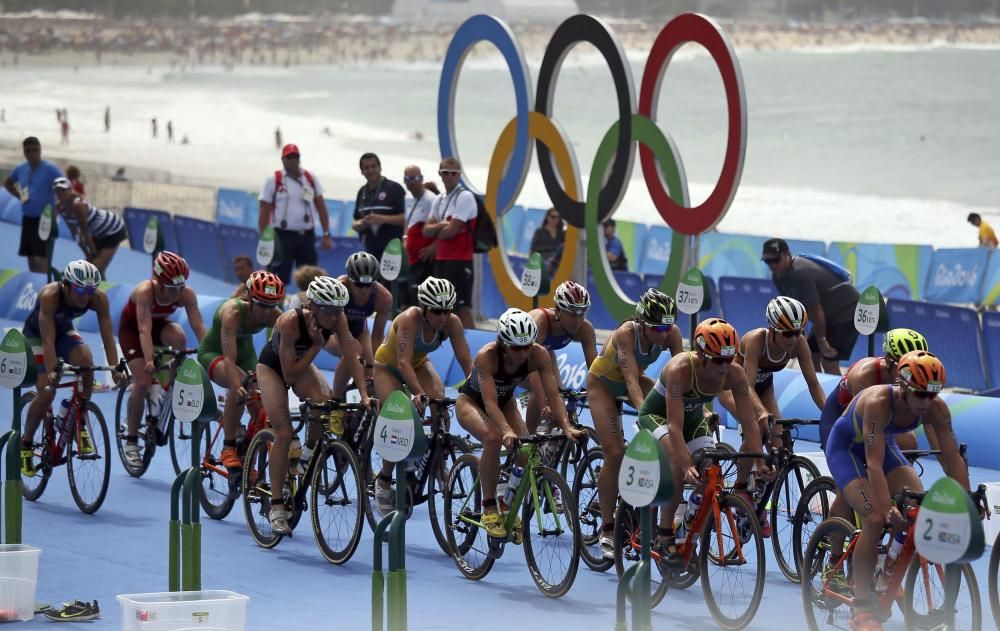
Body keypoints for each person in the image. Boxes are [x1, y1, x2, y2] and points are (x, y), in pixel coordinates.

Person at [824, 351, 969, 631]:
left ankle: (885, 570)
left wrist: (966, 498)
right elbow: (874, 465)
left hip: (882, 446)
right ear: (903, 387)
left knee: (919, 508)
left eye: (933, 394)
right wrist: (885, 506)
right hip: (847, 448)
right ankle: (862, 606)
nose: (927, 401)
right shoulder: (879, 402)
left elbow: (953, 459)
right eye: (920, 394)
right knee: (875, 519)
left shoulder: (937, 408)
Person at [636, 318, 772, 562]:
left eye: (729, 359)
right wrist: (687, 464)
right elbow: (674, 427)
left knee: (712, 474)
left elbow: (749, 423)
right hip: (658, 417)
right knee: (678, 466)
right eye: (718, 360)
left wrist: (759, 463)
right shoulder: (680, 370)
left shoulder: (735, 374)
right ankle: (665, 533)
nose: (724, 366)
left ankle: (688, 529)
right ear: (701, 355)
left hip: (692, 418)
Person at [257, 276, 375, 535]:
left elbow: (352, 357)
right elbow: (289, 376)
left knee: (325, 403)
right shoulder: (290, 322)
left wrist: (365, 394)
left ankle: (308, 451)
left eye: (339, 311)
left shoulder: (338, 318)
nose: (334, 317)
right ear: (313, 306)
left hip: (300, 366)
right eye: (329, 311)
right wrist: (318, 346)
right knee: (285, 433)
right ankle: (276, 507)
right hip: (275, 368)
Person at [455, 309, 584, 537]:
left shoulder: (539, 354)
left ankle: (507, 506)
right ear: (504, 344)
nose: (523, 353)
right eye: (516, 348)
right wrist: (505, 431)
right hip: (472, 404)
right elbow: (489, 403)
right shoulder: (487, 356)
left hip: (507, 404)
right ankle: (489, 506)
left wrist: (566, 426)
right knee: (493, 439)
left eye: (527, 346)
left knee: (526, 450)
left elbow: (554, 395)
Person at [588, 289, 685, 557]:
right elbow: (630, 383)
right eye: (657, 328)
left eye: (667, 327)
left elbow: (682, 376)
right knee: (616, 454)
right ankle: (607, 529)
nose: (663, 334)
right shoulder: (626, 334)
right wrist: (647, 418)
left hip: (635, 382)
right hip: (604, 386)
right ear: (642, 323)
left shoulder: (672, 333)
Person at [372, 276, 473, 515]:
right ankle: (384, 480)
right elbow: (403, 363)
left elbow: (467, 361)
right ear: (424, 308)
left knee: (439, 398)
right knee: (399, 415)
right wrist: (417, 393)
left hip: (419, 364)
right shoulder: (409, 319)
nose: (442, 317)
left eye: (446, 311)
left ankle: (439, 463)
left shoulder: (452, 323)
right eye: (436, 311)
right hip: (388, 367)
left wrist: (475, 388)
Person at [20, 261, 126, 476]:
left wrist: (115, 368)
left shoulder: (99, 299)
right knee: (46, 391)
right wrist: (52, 372)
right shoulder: (50, 295)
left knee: (86, 362)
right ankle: (26, 444)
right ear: (67, 284)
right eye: (80, 289)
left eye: (90, 290)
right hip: (38, 336)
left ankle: (77, 419)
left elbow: (107, 337)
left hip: (64, 331)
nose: (85, 296)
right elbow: (48, 341)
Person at [119, 252, 206, 467]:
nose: (177, 292)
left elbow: (199, 326)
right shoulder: (145, 291)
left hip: (159, 326)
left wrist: (209, 353)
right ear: (158, 282)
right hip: (133, 330)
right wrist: (149, 362)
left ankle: (168, 387)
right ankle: (131, 440)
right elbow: (144, 329)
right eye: (172, 288)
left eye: (180, 287)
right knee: (142, 382)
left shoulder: (186, 294)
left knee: (180, 337)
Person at [197, 271, 285, 474]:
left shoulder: (274, 315)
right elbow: (228, 358)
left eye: (271, 305)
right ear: (249, 299)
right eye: (261, 305)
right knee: (241, 383)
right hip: (215, 353)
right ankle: (228, 447)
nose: (266, 311)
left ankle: (247, 451)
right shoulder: (232, 312)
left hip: (245, 355)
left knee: (263, 406)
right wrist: (237, 387)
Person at [717, 296, 827, 448]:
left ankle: (773, 470)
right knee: (756, 431)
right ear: (772, 330)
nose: (794, 339)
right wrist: (761, 412)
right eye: (788, 334)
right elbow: (747, 387)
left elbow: (813, 385)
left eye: (798, 332)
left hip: (765, 389)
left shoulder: (800, 344)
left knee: (778, 441)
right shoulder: (756, 340)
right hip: (735, 388)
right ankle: (748, 471)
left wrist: (829, 412)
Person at [819, 328, 931, 452]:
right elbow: (861, 420)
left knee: (909, 442)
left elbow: (929, 420)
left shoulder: (910, 378)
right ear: (888, 360)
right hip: (839, 420)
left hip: (877, 419)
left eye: (915, 367)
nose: (909, 373)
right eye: (903, 366)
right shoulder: (864, 375)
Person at [762, 237, 860, 374]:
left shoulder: (801, 273)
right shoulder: (777, 277)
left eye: (776, 259)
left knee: (828, 359)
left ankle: (840, 395)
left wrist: (822, 341)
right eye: (768, 261)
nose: (772, 265)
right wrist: (797, 337)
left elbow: (815, 309)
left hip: (848, 312)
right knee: (808, 354)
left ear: (788, 255)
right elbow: (794, 310)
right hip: (826, 315)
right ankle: (818, 390)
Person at [524, 281, 598, 433]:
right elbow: (533, 371)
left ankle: (551, 440)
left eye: (581, 313)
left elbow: (596, 369)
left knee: (559, 395)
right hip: (518, 358)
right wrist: (543, 404)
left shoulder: (585, 328)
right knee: (544, 393)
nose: (577, 320)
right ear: (558, 311)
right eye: (572, 313)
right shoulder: (541, 323)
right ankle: (528, 441)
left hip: (546, 354)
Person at [258, 143, 333, 285]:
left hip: (306, 235)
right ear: (283, 159)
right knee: (277, 277)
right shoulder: (274, 180)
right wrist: (264, 239)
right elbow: (264, 211)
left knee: (310, 278)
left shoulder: (310, 178)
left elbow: (321, 206)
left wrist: (326, 234)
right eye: (289, 157)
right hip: (281, 235)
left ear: (299, 158)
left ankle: (310, 305)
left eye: (295, 156)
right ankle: (275, 304)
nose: (292, 160)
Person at [329, 252, 393, 411]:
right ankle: (335, 402)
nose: (363, 290)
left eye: (368, 285)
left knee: (371, 374)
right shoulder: (339, 288)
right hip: (333, 329)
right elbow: (338, 329)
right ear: (349, 280)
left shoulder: (383, 298)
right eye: (358, 285)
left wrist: (375, 366)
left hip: (359, 329)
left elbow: (377, 337)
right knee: (353, 354)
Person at [422, 157, 477, 329]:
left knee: (461, 307)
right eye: (445, 173)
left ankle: (473, 348)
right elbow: (425, 230)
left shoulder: (465, 197)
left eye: (453, 173)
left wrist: (437, 228)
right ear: (440, 174)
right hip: (442, 259)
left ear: (459, 175)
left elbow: (451, 231)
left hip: (460, 260)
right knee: (440, 306)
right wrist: (441, 226)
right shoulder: (439, 199)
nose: (449, 176)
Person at [3, 137, 64, 273]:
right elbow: (8, 183)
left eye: (35, 150)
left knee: (41, 258)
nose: (32, 154)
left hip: (45, 218)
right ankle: (35, 283)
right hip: (28, 217)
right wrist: (19, 196)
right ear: (24, 152)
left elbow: (65, 186)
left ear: (40, 150)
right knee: (30, 257)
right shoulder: (20, 169)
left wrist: (58, 207)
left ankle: (45, 287)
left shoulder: (50, 169)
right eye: (28, 151)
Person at [52, 177, 127, 277]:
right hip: (96, 234)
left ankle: (99, 291)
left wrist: (93, 254)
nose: (60, 193)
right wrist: (87, 255)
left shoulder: (77, 205)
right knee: (94, 267)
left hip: (113, 229)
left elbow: (85, 232)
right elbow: (75, 234)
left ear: (70, 190)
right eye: (57, 190)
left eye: (63, 190)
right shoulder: (60, 207)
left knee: (96, 268)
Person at [352, 152, 406, 270]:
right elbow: (355, 221)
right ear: (362, 171)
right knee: (371, 286)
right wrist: (360, 224)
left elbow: (406, 218)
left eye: (373, 166)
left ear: (380, 167)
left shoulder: (394, 188)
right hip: (370, 250)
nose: (371, 170)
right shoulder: (362, 192)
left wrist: (381, 219)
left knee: (390, 286)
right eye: (366, 168)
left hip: (393, 250)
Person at [402, 164, 438, 307]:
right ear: (404, 181)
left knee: (425, 299)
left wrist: (435, 246)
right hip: (411, 258)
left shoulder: (431, 199)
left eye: (415, 178)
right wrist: (405, 239)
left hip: (425, 258)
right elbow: (407, 223)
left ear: (421, 179)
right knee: (410, 299)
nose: (412, 181)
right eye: (408, 178)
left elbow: (438, 224)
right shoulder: (407, 199)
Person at [529, 208, 565, 275]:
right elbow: (532, 250)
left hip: (556, 263)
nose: (555, 219)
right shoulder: (539, 232)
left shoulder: (561, 233)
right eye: (553, 217)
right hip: (542, 261)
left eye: (558, 217)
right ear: (547, 217)